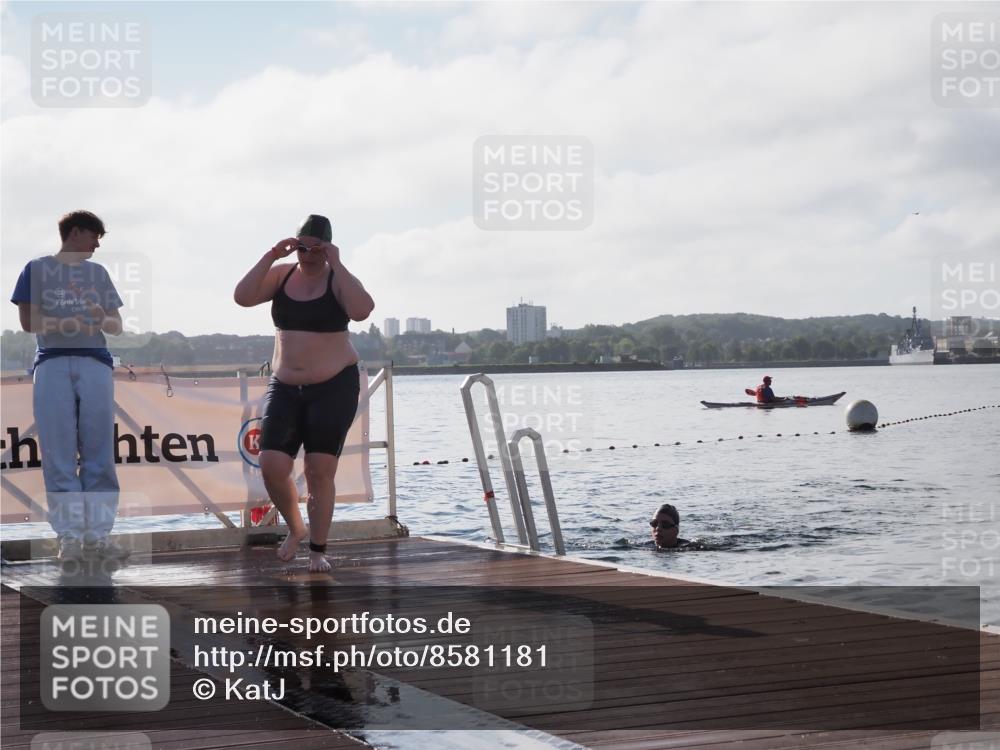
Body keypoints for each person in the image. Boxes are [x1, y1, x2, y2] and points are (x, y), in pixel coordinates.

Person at [234, 214, 374, 572]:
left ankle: (317, 549)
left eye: (315, 248)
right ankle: (296, 528)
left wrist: (338, 263)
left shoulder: (337, 279)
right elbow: (243, 297)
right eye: (301, 247)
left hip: (333, 385)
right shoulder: (282, 275)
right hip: (285, 385)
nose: (307, 255)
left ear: (326, 248)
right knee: (272, 465)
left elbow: (362, 310)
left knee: (318, 470)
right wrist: (271, 255)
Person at [10, 210, 127, 562]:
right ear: (75, 233)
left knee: (99, 452)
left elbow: (117, 326)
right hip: (52, 363)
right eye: (94, 236)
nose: (97, 244)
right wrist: (69, 322)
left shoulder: (98, 273)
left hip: (95, 362)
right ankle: (70, 537)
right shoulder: (36, 268)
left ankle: (98, 536)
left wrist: (99, 319)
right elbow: (28, 322)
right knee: (58, 453)